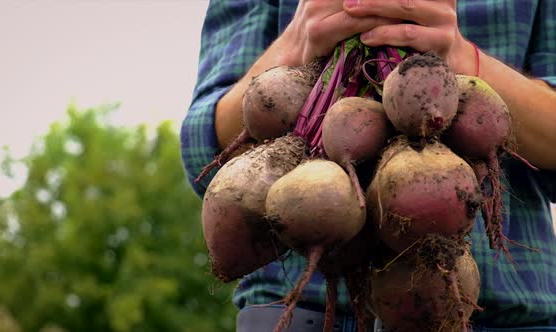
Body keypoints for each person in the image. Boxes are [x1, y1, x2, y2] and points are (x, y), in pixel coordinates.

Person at [181, 1, 556, 331]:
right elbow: (203, 154)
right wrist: (296, 46)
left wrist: (461, 57)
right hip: (295, 314)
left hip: (496, 314)